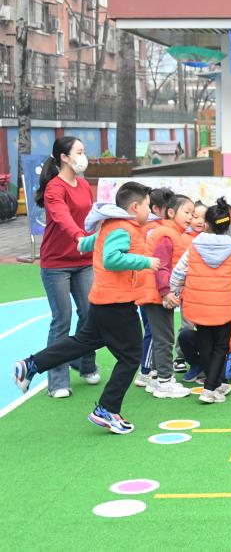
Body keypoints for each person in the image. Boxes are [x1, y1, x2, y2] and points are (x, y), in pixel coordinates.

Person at [13, 181, 160, 434]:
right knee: (130, 356)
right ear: (135, 207)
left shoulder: (111, 225)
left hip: (103, 302)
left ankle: (31, 365)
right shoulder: (123, 229)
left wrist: (85, 243)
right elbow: (111, 259)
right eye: (148, 206)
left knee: (81, 342)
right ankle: (107, 409)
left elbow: (90, 244)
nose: (150, 210)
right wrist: (145, 261)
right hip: (117, 305)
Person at [34, 136, 100, 398]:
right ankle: (58, 382)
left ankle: (85, 364)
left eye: (84, 151)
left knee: (90, 315)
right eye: (79, 152)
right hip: (57, 263)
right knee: (62, 319)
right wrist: (79, 236)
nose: (84, 157)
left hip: (84, 261)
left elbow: (91, 218)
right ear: (64, 157)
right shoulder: (54, 188)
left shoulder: (83, 185)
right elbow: (62, 217)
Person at [169, 198, 231, 405]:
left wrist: (173, 292)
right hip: (224, 306)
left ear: (206, 224)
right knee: (221, 347)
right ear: (227, 226)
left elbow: (178, 273)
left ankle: (216, 384)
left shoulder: (194, 247)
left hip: (198, 305)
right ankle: (210, 388)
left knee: (205, 344)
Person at [136, 194, 194, 399]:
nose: (190, 217)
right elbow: (162, 266)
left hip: (158, 293)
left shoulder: (172, 233)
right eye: (187, 212)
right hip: (158, 294)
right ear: (171, 212)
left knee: (161, 337)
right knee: (164, 339)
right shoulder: (167, 235)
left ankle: (157, 377)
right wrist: (166, 292)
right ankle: (164, 381)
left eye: (192, 213)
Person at [135, 187, 174, 386]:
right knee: (153, 329)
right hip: (150, 285)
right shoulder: (154, 229)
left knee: (153, 328)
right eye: (169, 208)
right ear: (157, 209)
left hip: (147, 284)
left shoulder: (149, 226)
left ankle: (155, 368)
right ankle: (146, 370)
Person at [174, 201, 207, 372]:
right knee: (187, 326)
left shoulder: (211, 239)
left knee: (206, 326)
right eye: (195, 217)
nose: (200, 221)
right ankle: (180, 356)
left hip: (206, 292)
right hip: (188, 293)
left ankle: (205, 355)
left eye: (204, 217)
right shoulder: (183, 239)